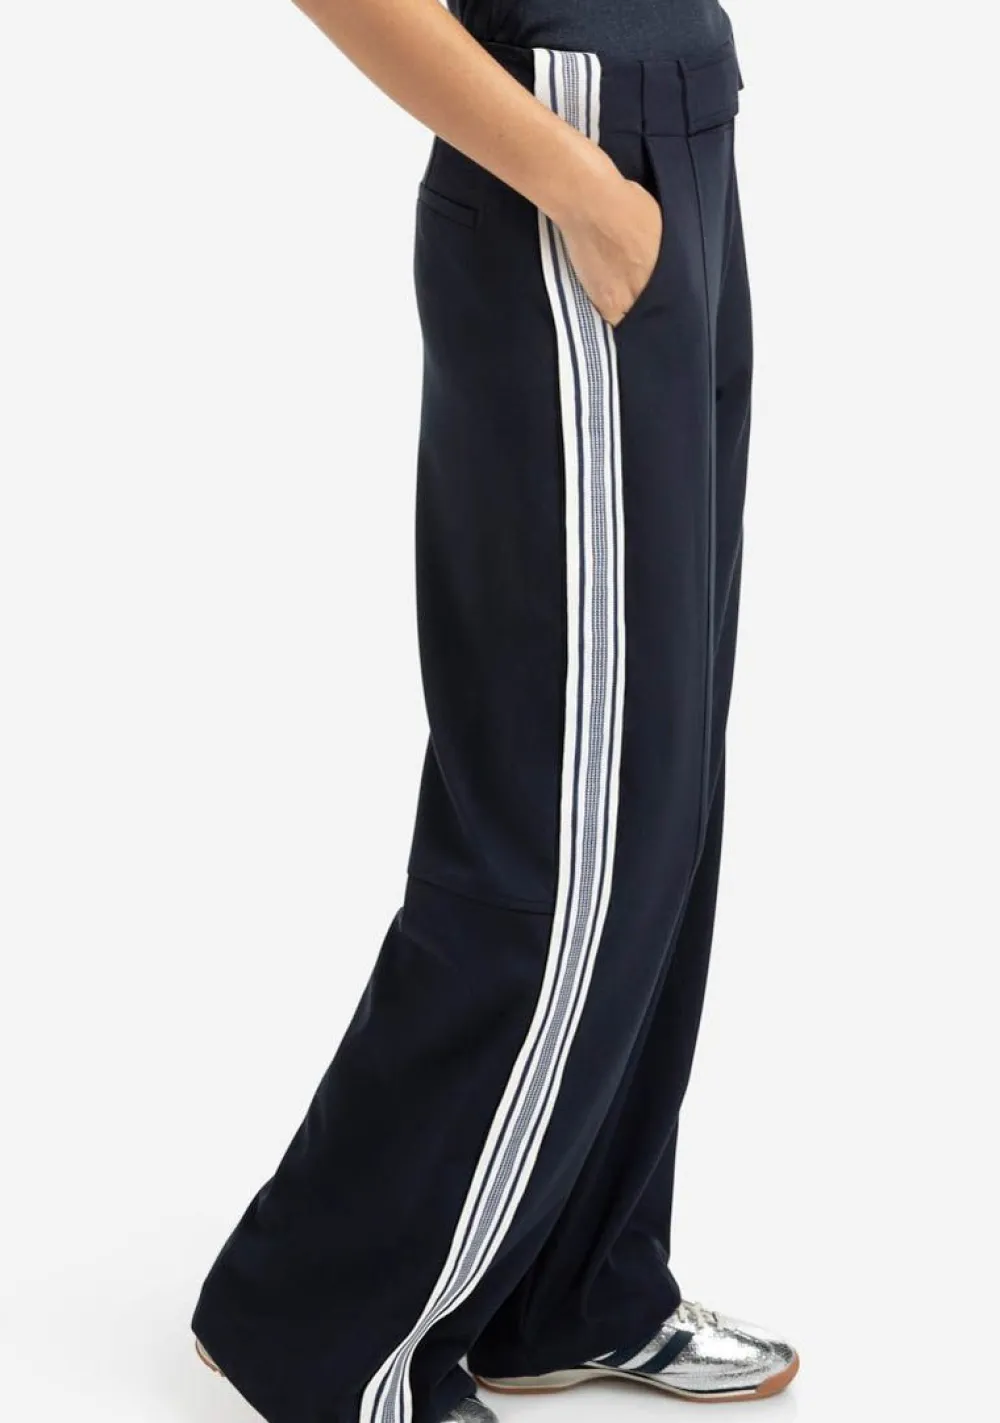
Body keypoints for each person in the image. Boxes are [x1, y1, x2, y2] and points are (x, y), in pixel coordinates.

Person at [192, 2, 797, 1420]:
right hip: (568, 157)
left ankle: (568, 1287)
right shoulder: (576, 180)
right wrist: (584, 188)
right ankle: (313, 1316)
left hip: (670, 138)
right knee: (563, 833)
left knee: (657, 796)